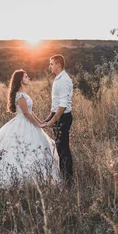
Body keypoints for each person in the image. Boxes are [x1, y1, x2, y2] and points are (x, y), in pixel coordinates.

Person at [42, 54, 73, 184]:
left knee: (63, 149)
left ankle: (68, 180)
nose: (50, 66)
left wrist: (52, 121)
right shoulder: (58, 79)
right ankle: (64, 177)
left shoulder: (64, 80)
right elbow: (55, 105)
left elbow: (62, 105)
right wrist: (47, 119)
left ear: (58, 65)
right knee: (60, 149)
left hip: (63, 118)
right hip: (58, 116)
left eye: (51, 64)